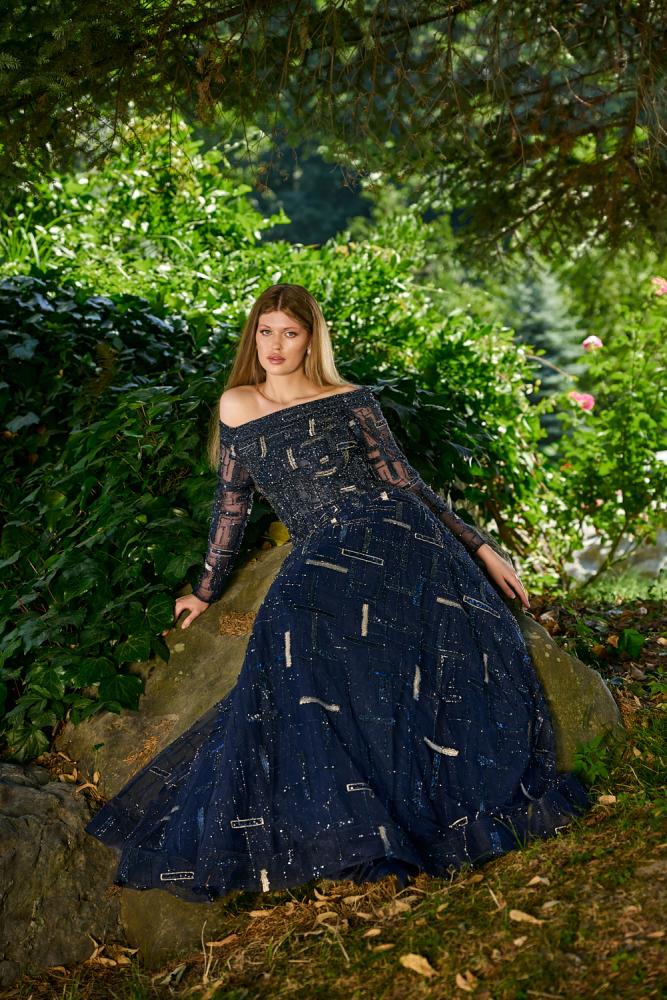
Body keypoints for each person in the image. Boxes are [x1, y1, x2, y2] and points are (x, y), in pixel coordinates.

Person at [84, 283, 591, 901]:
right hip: (324, 543)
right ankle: (355, 826)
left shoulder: (351, 400)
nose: (275, 345)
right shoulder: (238, 404)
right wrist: (206, 590)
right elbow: (231, 504)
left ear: (311, 340)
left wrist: (482, 547)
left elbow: (406, 482)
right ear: (253, 336)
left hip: (396, 532)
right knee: (290, 625)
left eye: (290, 333)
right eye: (265, 331)